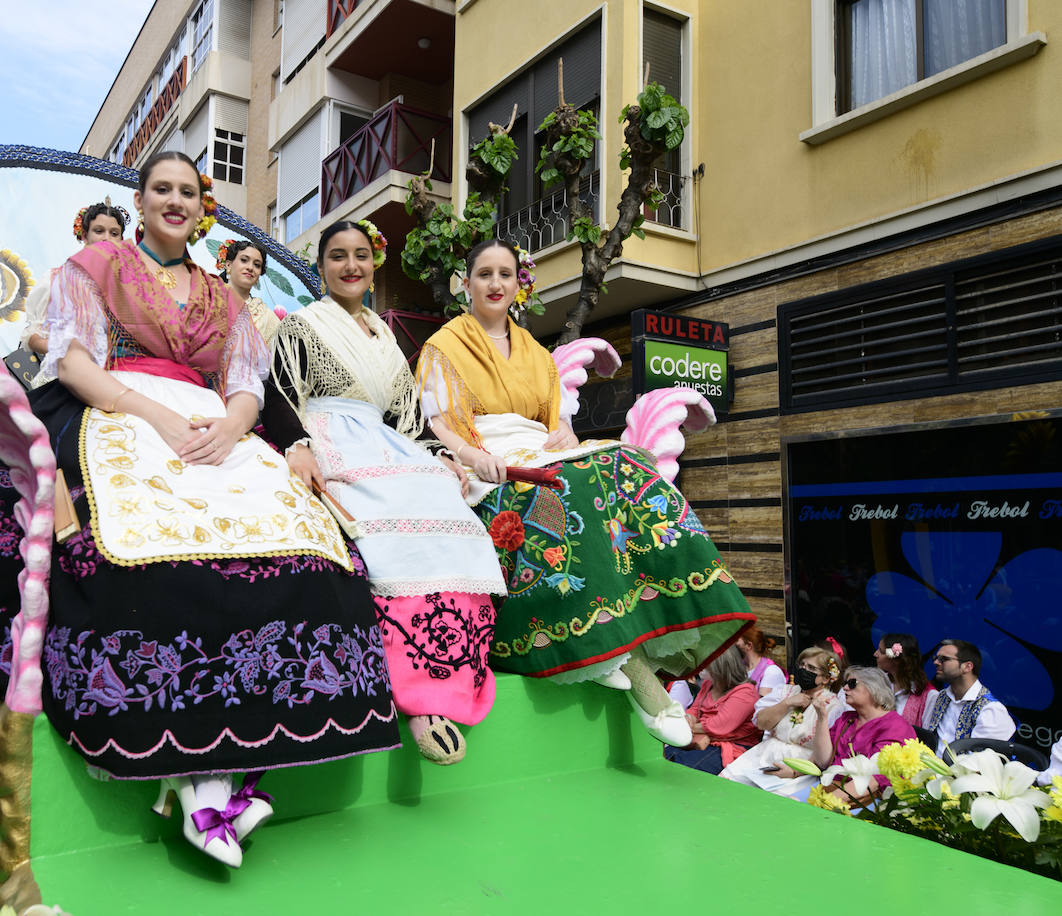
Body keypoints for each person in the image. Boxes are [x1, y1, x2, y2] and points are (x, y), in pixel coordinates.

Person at [0, 151, 400, 869]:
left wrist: (236, 428)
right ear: (141, 201)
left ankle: (237, 772)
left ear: (199, 206)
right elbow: (76, 362)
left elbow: (244, 382)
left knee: (312, 552)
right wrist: (151, 414)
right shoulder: (94, 269)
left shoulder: (223, 296)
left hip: (214, 425)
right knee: (135, 563)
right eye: (161, 190)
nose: (174, 202)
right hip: (114, 408)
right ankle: (195, 780)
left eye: (187, 191)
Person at [416, 239, 754, 747]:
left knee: (627, 464)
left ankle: (654, 611)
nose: (494, 284)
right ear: (465, 283)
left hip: (541, 451)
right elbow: (441, 423)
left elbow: (556, 424)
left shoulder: (535, 352)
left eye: (504, 274)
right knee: (564, 489)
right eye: (483, 274)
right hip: (489, 461)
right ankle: (624, 662)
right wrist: (472, 456)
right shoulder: (443, 345)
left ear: (517, 285)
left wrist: (566, 438)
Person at [265, 219, 503, 765]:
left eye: (361, 256)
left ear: (375, 265)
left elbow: (409, 419)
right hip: (329, 436)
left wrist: (442, 457)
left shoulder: (385, 336)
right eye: (337, 257)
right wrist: (297, 445)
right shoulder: (302, 326)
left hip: (385, 441)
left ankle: (447, 687)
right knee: (388, 519)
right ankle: (413, 693)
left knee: (449, 508)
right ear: (320, 268)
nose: (351, 266)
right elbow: (278, 392)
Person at [720, 645, 846, 796]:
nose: (803, 670)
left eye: (811, 668)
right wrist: (787, 703)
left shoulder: (833, 707)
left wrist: (794, 772)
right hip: (765, 756)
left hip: (801, 766)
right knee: (727, 784)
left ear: (826, 678)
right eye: (802, 665)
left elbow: (825, 756)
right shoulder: (785, 692)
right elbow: (761, 723)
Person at [23, 199, 131, 361]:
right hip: (68, 373)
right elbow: (34, 335)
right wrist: (63, 348)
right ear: (85, 236)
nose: (106, 238)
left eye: (114, 233)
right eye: (99, 231)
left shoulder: (130, 288)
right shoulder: (57, 280)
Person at [799, 666, 915, 805]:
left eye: (852, 684)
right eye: (844, 684)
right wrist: (822, 717)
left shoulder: (895, 726)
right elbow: (823, 761)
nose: (845, 688)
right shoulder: (847, 718)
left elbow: (874, 781)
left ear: (874, 688)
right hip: (829, 788)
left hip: (866, 800)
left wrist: (825, 802)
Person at [663, 646, 760, 773]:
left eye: (705, 662)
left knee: (685, 768)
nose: (699, 666)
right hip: (701, 739)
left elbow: (720, 726)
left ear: (720, 666)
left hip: (733, 745)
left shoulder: (746, 692)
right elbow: (695, 709)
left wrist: (686, 726)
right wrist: (688, 718)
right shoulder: (708, 684)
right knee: (666, 755)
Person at [923, 639, 1015, 749]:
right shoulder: (939, 697)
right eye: (936, 658)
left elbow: (980, 761)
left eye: (944, 659)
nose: (936, 662)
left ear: (967, 666)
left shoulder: (991, 710)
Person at [217, 238, 280, 346]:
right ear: (228, 265)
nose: (250, 268)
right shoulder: (206, 300)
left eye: (257, 265)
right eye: (244, 260)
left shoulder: (267, 318)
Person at [872, 633, 937, 728]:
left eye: (881, 652)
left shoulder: (929, 695)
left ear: (897, 660)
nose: (875, 654)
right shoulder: (878, 682)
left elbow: (926, 735)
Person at [736, 624, 784, 696]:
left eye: (736, 640)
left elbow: (763, 706)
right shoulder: (738, 667)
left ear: (749, 645)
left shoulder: (771, 672)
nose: (732, 644)